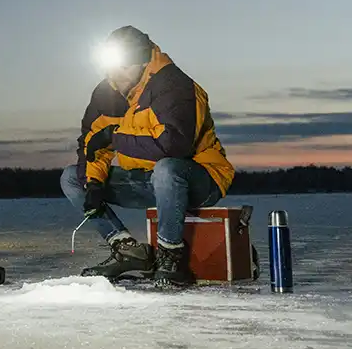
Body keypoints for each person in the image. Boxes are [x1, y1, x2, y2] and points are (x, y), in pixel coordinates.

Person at [60, 26, 235, 288]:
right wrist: (94, 183)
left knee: (166, 169)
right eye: (112, 68)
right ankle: (128, 250)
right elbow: (93, 142)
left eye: (124, 67)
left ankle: (170, 256)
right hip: (147, 181)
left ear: (143, 60)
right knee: (72, 178)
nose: (116, 76)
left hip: (198, 178)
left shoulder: (174, 85)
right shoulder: (106, 93)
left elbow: (175, 146)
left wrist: (115, 137)